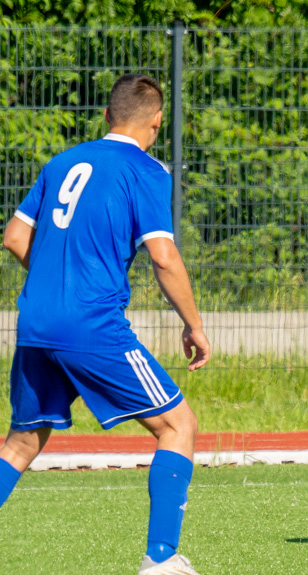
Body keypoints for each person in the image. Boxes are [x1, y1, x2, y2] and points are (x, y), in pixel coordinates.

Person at [0, 74, 211, 574]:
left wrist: (58, 277)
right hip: (91, 324)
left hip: (35, 321)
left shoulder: (62, 161)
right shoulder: (146, 171)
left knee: (21, 444)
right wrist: (194, 325)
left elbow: (13, 237)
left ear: (106, 116)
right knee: (178, 425)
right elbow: (164, 257)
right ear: (156, 122)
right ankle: (160, 561)